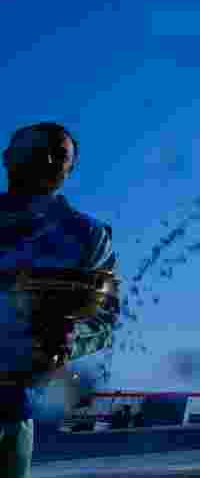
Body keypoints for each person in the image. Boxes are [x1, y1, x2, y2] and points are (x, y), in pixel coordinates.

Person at [0, 122, 118, 478]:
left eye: (60, 155)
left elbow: (104, 319)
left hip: (14, 407)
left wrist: (69, 340)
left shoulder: (88, 235)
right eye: (37, 148)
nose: (48, 159)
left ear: (69, 170)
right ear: (7, 157)